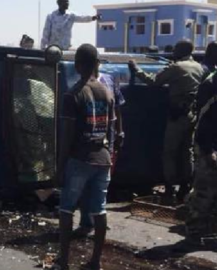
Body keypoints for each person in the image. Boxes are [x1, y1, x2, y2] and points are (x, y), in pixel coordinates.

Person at [56, 44, 115, 270]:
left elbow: (68, 135)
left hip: (79, 159)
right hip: (102, 158)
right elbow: (110, 128)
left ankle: (64, 262)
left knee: (66, 209)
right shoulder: (106, 92)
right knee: (99, 210)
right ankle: (95, 262)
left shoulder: (73, 94)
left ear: (78, 65)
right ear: (96, 63)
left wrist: (60, 168)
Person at [128, 40, 207, 200]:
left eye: (176, 49)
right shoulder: (199, 67)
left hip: (177, 115)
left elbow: (153, 81)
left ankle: (169, 187)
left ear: (181, 50)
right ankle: (186, 185)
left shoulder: (176, 67)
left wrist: (136, 69)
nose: (173, 52)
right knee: (187, 151)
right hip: (192, 114)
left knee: (169, 152)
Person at [76, 71, 126, 237]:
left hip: (107, 139)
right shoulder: (81, 85)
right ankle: (86, 221)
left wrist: (120, 131)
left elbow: (118, 106)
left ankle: (98, 219)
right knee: (86, 183)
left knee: (101, 183)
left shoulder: (109, 79)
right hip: (88, 141)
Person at [186, 51, 217, 245]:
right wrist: (208, 151)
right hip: (210, 147)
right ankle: (193, 233)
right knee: (203, 193)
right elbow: (202, 121)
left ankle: (212, 232)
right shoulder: (211, 84)